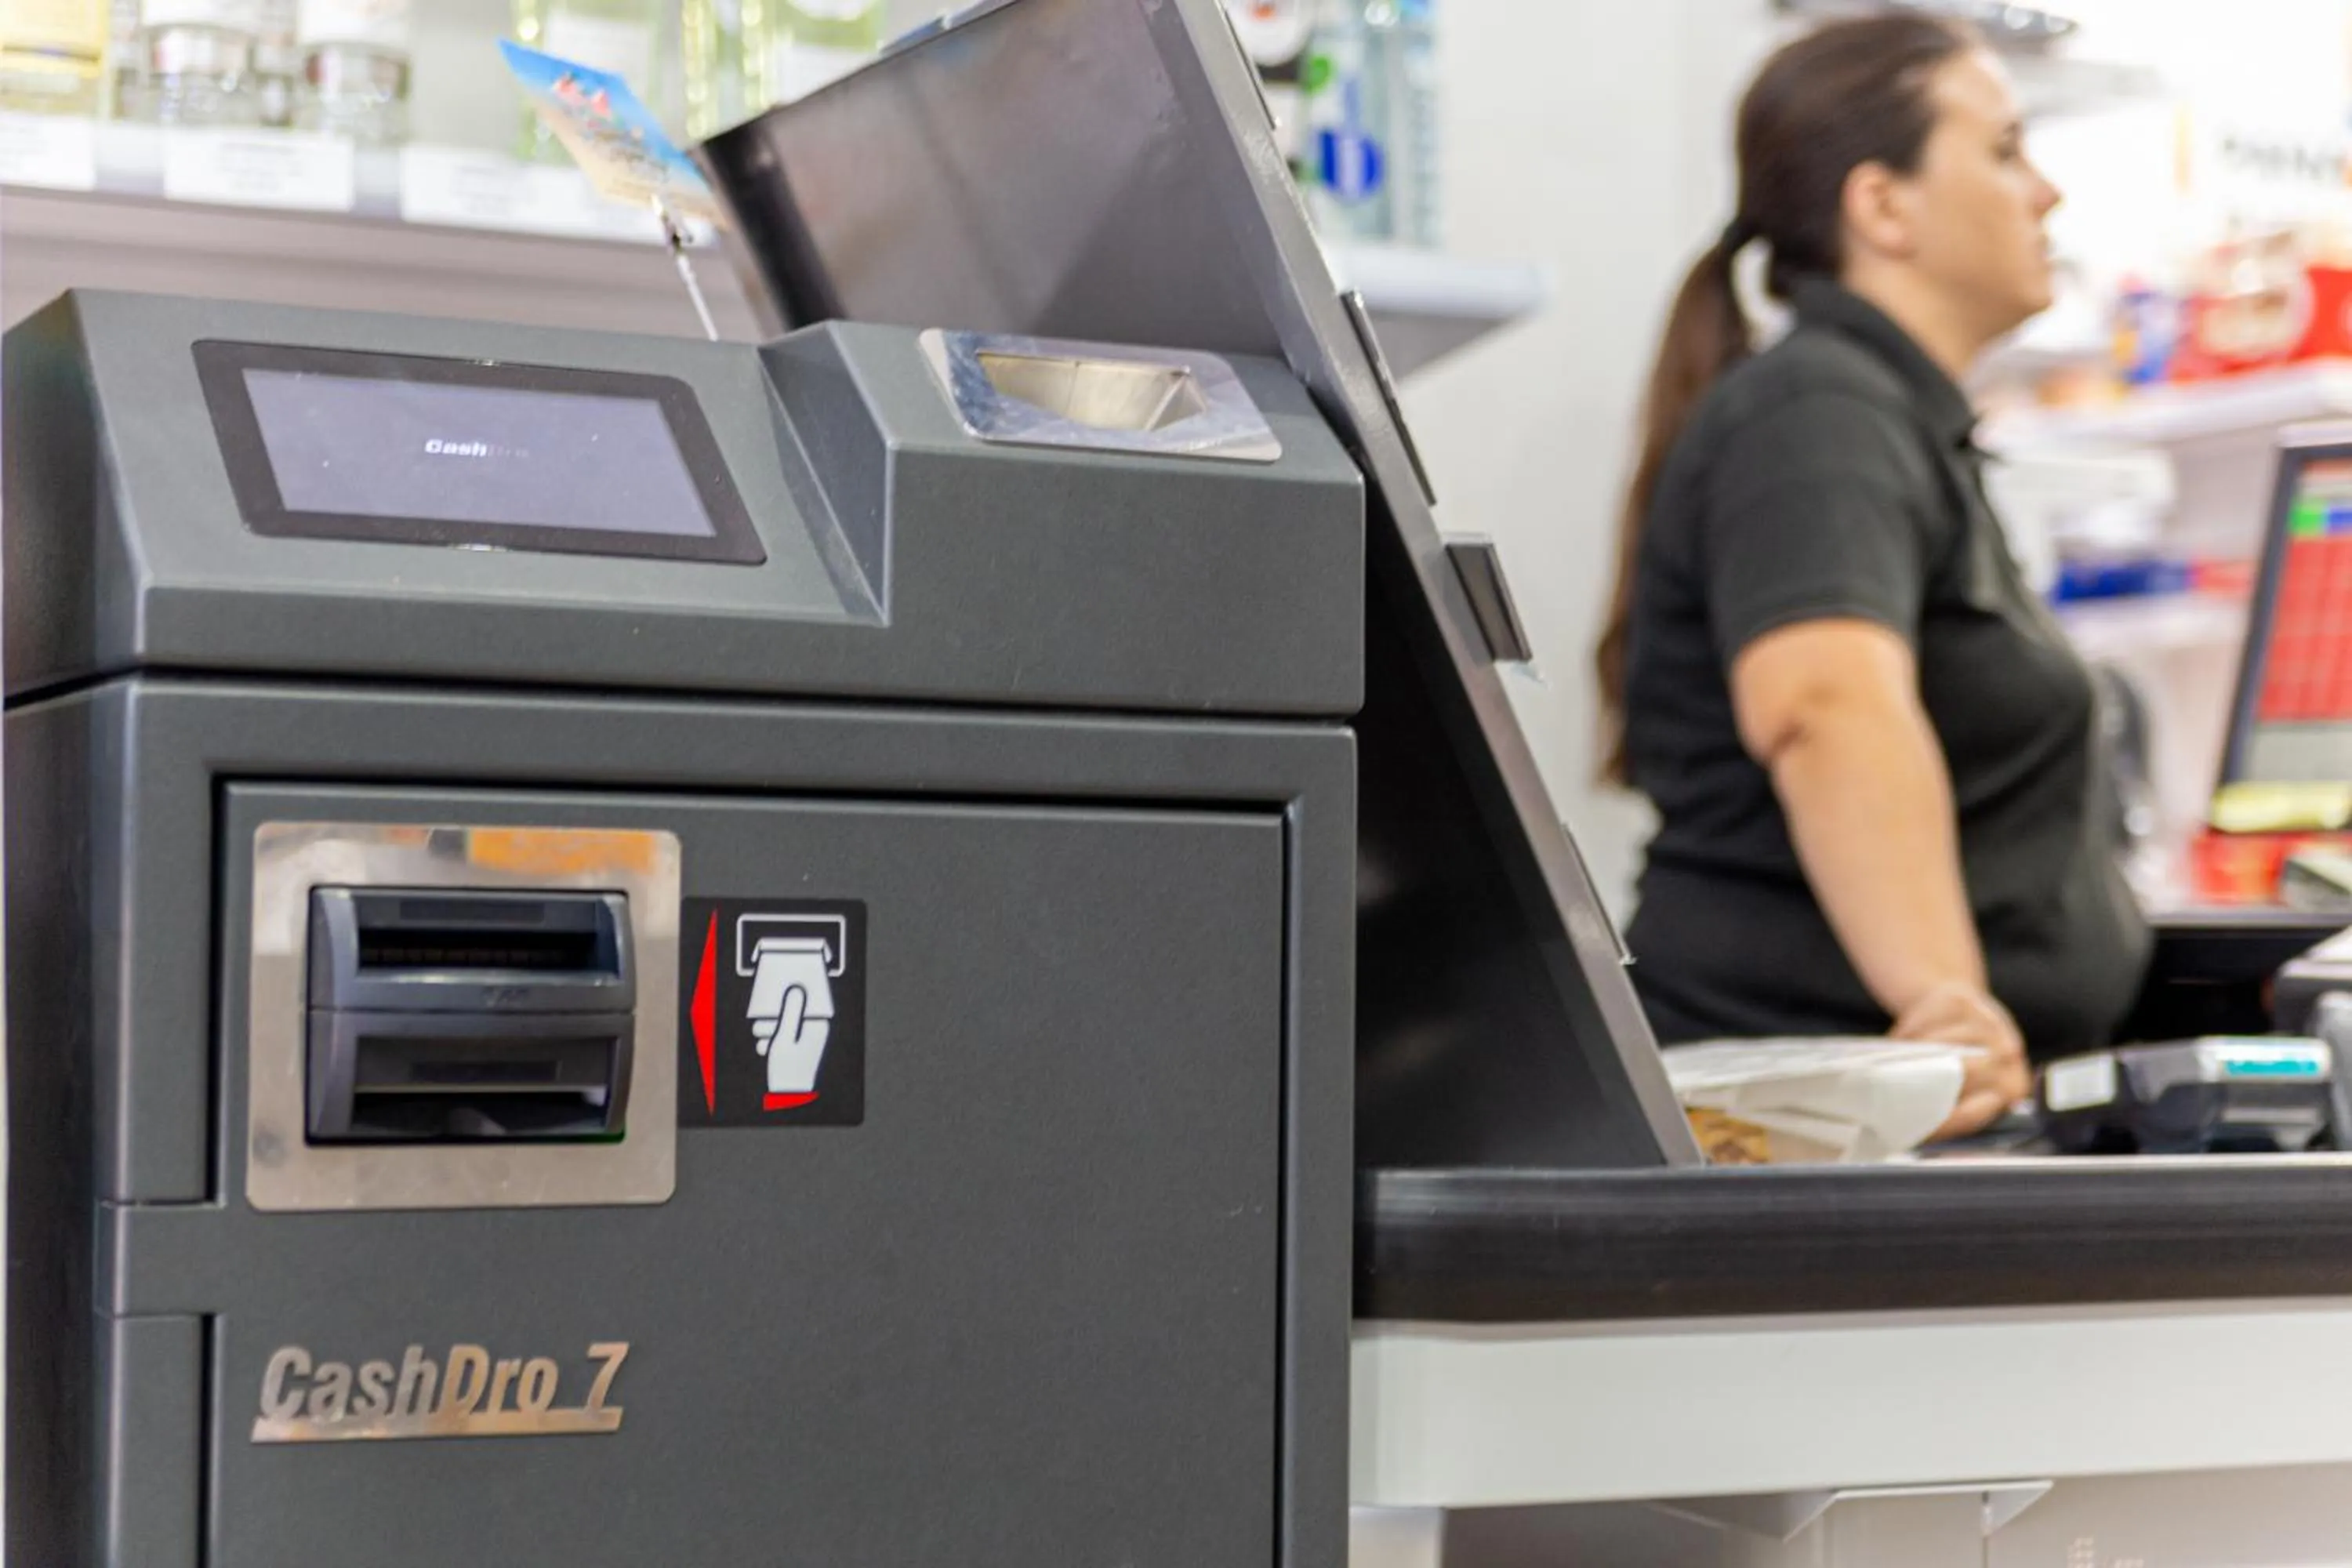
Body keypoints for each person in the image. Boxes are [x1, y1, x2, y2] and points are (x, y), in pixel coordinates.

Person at [1595, 15, 2151, 1138]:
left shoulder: (1885, 422)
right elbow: (1826, 706)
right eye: (2003, 151)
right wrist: (1945, 1021)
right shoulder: (1821, 412)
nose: (2045, 193)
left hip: (1882, 1113)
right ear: (1882, 205)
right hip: (1829, 1121)